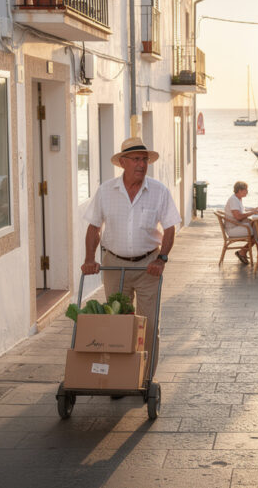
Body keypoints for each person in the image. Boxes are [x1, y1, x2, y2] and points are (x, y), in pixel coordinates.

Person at [81, 137, 181, 363]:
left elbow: (170, 227)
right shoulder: (106, 191)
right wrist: (89, 258)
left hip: (148, 266)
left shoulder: (159, 191)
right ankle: (120, 376)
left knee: (150, 324)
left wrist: (161, 259)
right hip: (115, 265)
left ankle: (144, 378)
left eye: (144, 160)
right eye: (136, 159)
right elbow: (94, 227)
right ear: (122, 163)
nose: (142, 165)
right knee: (117, 323)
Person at [224, 181, 258, 264]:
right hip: (233, 228)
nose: (247, 192)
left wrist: (255, 209)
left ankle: (247, 252)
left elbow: (243, 210)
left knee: (257, 228)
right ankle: (243, 252)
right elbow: (238, 217)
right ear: (239, 190)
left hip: (237, 225)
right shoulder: (233, 200)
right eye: (246, 190)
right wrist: (253, 213)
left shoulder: (237, 199)